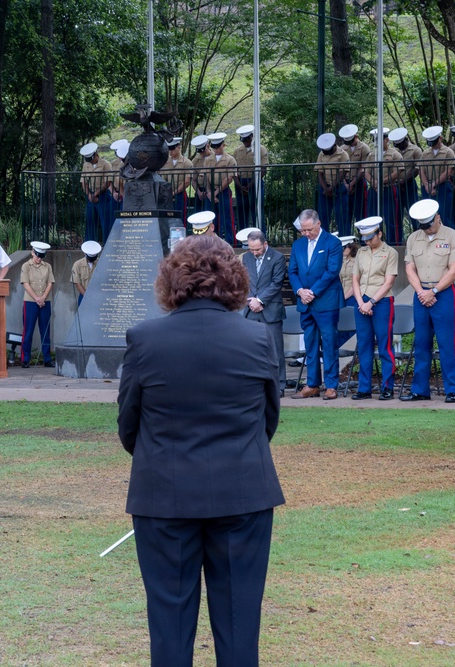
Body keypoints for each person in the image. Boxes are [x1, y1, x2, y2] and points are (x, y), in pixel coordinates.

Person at [117, 234, 285, 667]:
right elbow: (268, 420)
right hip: (243, 492)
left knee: (169, 628)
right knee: (239, 624)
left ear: (173, 280)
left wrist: (165, 456)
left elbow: (129, 426)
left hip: (166, 494)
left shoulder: (145, 339)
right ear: (233, 280)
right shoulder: (256, 339)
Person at [401, 199, 455, 403]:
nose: (427, 230)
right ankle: (420, 390)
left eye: (429, 225)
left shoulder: (454, 237)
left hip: (443, 293)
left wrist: (434, 290)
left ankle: (453, 390)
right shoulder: (413, 238)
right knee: (421, 343)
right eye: (423, 226)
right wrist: (421, 291)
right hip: (421, 293)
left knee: (446, 342)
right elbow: (409, 268)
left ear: (438, 218)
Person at [288, 209, 344, 400]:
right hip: (305, 302)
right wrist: (300, 291)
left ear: (318, 223)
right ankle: (312, 384)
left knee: (329, 344)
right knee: (310, 344)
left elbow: (332, 271)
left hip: (326, 301)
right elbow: (292, 272)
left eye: (309, 229)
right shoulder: (298, 245)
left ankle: (331, 385)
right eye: (303, 230)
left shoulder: (333, 243)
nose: (306, 233)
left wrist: (312, 291)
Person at [351, 216, 399, 401]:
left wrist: (370, 302)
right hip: (361, 301)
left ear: (379, 233)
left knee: (385, 345)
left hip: (382, 301)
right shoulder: (362, 253)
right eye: (365, 239)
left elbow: (389, 282)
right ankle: (364, 388)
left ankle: (388, 387)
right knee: (364, 345)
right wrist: (361, 302)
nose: (368, 241)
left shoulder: (390, 252)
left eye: (371, 237)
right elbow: (355, 279)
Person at [238, 227, 287, 395]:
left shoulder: (278, 258)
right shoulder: (246, 258)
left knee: (275, 351)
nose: (254, 252)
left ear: (265, 244)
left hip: (270, 310)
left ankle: (279, 386)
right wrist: (251, 300)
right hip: (251, 310)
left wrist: (260, 300)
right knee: (251, 350)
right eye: (251, 249)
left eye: (257, 249)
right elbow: (243, 281)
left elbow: (276, 283)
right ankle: (254, 385)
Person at [20, 241, 55, 368]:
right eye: (37, 256)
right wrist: (37, 299)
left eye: (41, 256)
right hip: (30, 301)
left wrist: (43, 298)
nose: (39, 259)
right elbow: (25, 283)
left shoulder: (48, 266)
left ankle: (47, 358)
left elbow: (50, 283)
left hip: (45, 301)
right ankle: (25, 359)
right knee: (28, 331)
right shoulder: (26, 266)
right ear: (32, 252)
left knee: (45, 331)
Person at [365, 128, 403, 244]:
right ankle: (373, 242)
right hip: (374, 190)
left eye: (379, 140)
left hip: (389, 188)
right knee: (372, 217)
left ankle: (394, 244)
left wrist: (381, 182)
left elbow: (397, 172)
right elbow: (366, 171)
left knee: (391, 218)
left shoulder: (395, 154)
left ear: (386, 140)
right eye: (375, 141)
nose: (377, 143)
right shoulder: (372, 155)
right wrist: (374, 183)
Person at [419, 126, 455, 229]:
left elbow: (448, 171)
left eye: (434, 141)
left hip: (443, 186)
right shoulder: (425, 153)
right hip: (428, 188)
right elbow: (421, 170)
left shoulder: (448, 152)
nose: (432, 145)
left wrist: (434, 184)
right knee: (428, 217)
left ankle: (450, 240)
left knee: (445, 216)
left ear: (440, 138)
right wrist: (427, 185)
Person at [233, 124, 269, 230]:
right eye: (243, 140)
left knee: (257, 214)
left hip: (255, 182)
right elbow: (233, 170)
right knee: (241, 214)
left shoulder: (260, 149)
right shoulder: (237, 151)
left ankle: (260, 237)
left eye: (247, 139)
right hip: (240, 183)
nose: (245, 142)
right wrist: (239, 185)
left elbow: (263, 170)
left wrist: (250, 185)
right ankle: (241, 241)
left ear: (252, 137)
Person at [206, 132, 238, 245]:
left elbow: (230, 178)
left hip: (223, 191)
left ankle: (231, 243)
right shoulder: (208, 160)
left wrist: (216, 193)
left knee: (227, 219)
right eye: (214, 147)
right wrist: (210, 193)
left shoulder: (230, 159)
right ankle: (213, 244)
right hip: (211, 192)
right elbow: (206, 177)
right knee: (211, 221)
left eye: (218, 146)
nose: (216, 149)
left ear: (223, 145)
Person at [315, 132, 350, 234]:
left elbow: (342, 173)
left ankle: (345, 241)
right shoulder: (321, 154)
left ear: (334, 145)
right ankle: (323, 241)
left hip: (339, 187)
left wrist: (331, 188)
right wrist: (325, 188)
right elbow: (319, 173)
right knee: (323, 216)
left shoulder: (343, 154)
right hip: (325, 187)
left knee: (342, 216)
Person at [80, 142, 113, 242]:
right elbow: (83, 181)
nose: (90, 161)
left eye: (91, 158)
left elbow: (108, 182)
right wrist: (89, 195)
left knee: (105, 222)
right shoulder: (86, 165)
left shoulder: (106, 164)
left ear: (95, 154)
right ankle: (89, 245)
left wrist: (96, 194)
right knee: (90, 221)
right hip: (91, 195)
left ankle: (107, 243)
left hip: (102, 195)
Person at [339, 124, 372, 225]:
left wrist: (352, 184)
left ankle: (363, 239)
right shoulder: (342, 149)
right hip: (344, 182)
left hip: (359, 182)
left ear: (356, 137)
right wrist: (345, 184)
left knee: (361, 212)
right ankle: (347, 238)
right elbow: (340, 167)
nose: (350, 143)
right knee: (345, 212)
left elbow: (363, 168)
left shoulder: (364, 148)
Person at [391, 127, 422, 220]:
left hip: (409, 185)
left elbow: (417, 168)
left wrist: (403, 180)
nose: (399, 146)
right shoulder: (394, 151)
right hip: (396, 185)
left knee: (414, 214)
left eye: (400, 144)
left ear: (406, 140)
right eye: (397, 144)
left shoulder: (415, 150)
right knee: (396, 216)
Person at [162, 137, 193, 221]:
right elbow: (163, 178)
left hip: (180, 193)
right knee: (168, 217)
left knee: (180, 217)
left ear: (179, 147)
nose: (170, 151)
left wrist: (174, 192)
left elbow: (187, 181)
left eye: (172, 148)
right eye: (169, 149)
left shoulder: (186, 163)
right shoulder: (166, 162)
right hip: (168, 193)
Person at [71, 240, 102, 306]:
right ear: (85, 254)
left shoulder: (101, 263)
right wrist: (87, 297)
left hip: (98, 296)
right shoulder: (77, 264)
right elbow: (77, 283)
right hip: (83, 296)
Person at [190, 135, 213, 212]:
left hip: (213, 189)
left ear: (208, 146)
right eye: (199, 151)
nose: (201, 152)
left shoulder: (215, 157)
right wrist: (199, 192)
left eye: (203, 150)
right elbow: (193, 180)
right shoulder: (196, 160)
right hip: (200, 190)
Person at [109, 139, 129, 219]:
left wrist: (123, 194)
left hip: (128, 193)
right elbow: (109, 180)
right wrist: (113, 192)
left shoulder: (133, 163)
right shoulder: (113, 164)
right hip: (116, 194)